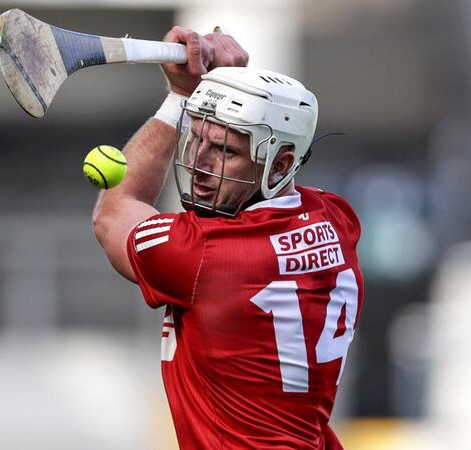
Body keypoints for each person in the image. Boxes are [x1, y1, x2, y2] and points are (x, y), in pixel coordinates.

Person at [92, 26, 363, 450]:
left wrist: (180, 96)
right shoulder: (337, 218)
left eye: (224, 151)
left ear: (280, 165)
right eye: (195, 137)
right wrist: (230, 91)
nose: (199, 162)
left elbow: (113, 212)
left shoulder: (200, 254)